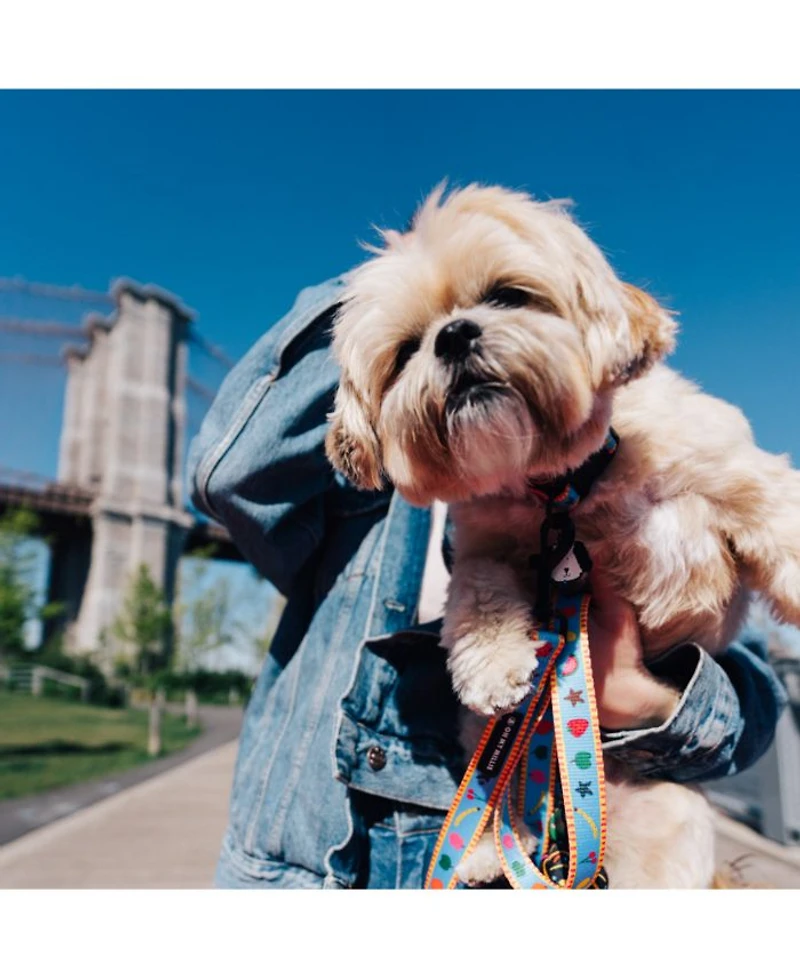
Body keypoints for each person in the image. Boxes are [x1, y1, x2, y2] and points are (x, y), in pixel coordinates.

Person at [187, 276, 788, 889]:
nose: (455, 335)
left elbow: (757, 709)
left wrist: (642, 700)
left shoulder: (674, 442)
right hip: (335, 875)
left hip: (619, 840)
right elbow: (229, 474)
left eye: (505, 296)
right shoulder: (351, 503)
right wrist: (378, 289)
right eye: (406, 349)